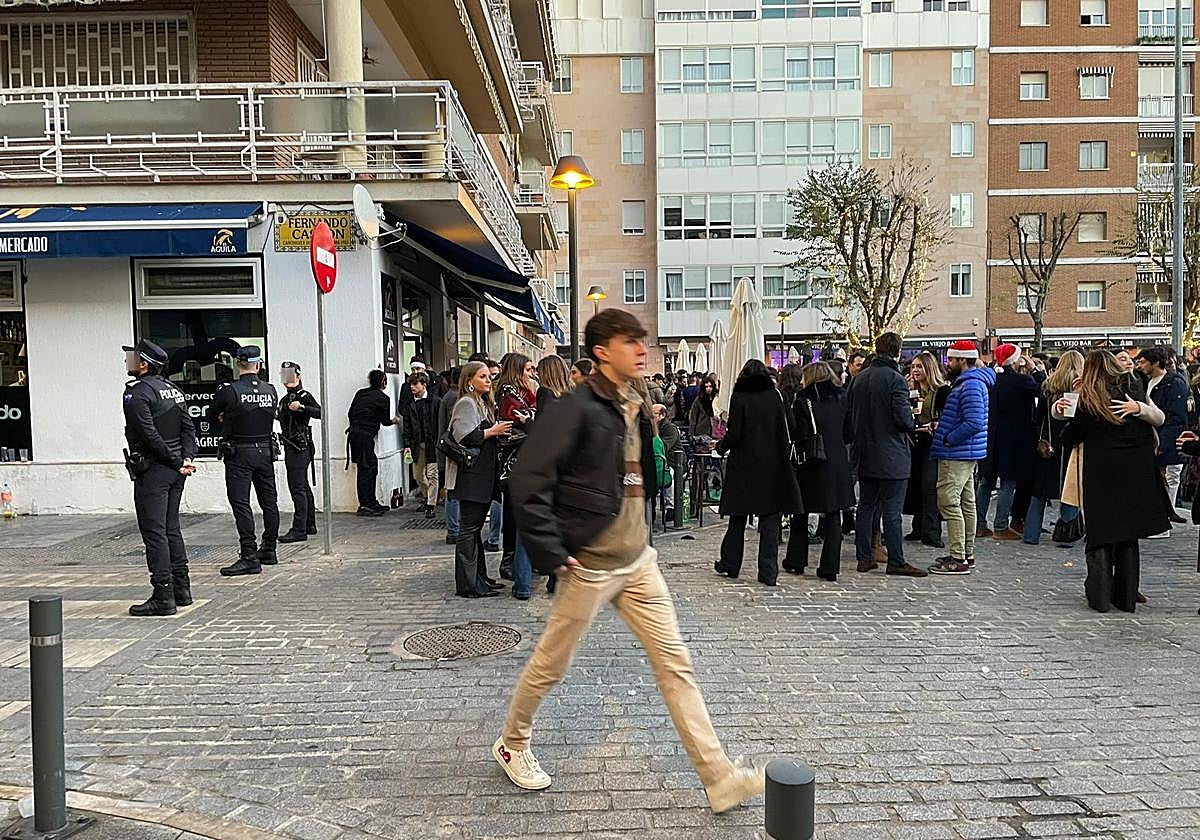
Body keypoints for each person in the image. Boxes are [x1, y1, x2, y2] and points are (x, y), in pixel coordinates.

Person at [500, 309, 763, 812]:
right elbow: (527, 482)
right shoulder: (573, 409)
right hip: (591, 564)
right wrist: (554, 553)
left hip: (639, 562)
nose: (642, 350)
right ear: (602, 351)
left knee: (676, 666)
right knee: (551, 665)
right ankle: (513, 741)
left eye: (642, 341)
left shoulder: (635, 402)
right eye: (630, 342)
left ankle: (719, 777)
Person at [1056, 351, 1170, 613]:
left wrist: (1072, 403)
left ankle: (1100, 594)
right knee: (1128, 535)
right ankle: (1126, 596)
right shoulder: (1133, 385)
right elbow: (1155, 417)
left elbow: (1072, 433)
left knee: (1101, 533)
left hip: (1102, 470)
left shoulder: (1092, 395)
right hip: (1136, 468)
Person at [122, 339, 197, 616]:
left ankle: (163, 595)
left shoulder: (138, 393)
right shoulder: (173, 390)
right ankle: (182, 589)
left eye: (132, 358)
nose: (127, 362)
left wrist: (177, 462)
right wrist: (186, 459)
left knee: (154, 533)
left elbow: (147, 434)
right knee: (171, 529)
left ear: (144, 364)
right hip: (176, 470)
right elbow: (188, 428)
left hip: (155, 470)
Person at [713, 359, 802, 586]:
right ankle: (768, 571)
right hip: (773, 464)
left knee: (738, 517)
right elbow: (790, 426)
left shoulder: (740, 397)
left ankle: (730, 563)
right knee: (770, 519)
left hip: (744, 464)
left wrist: (720, 447)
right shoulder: (775, 396)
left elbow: (735, 433)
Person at [847, 333, 925, 576]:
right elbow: (903, 420)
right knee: (892, 511)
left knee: (866, 507)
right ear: (897, 352)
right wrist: (913, 420)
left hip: (864, 453)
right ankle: (896, 560)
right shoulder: (895, 379)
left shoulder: (859, 379)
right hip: (892, 454)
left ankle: (864, 557)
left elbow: (850, 417)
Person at [213, 346, 281, 577]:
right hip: (264, 451)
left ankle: (249, 555)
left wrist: (227, 415)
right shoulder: (270, 390)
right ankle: (270, 549)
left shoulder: (229, 391)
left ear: (238, 364)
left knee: (241, 504)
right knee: (269, 502)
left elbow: (211, 413)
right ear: (258, 365)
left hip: (239, 453)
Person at [927, 340, 993, 575]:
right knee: (966, 503)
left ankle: (958, 557)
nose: (948, 363)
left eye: (951, 359)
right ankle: (966, 552)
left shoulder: (971, 385)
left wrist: (949, 438)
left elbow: (973, 422)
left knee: (949, 501)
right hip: (964, 451)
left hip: (957, 452)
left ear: (962, 360)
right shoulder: (970, 383)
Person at [446, 362, 512, 597]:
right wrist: (493, 431)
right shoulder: (466, 403)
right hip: (471, 477)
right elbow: (464, 436)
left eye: (488, 376)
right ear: (469, 380)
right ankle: (469, 584)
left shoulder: (482, 403)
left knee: (473, 530)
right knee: (469, 528)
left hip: (481, 475)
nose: (488, 380)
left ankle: (480, 578)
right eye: (482, 376)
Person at [783, 362, 853, 581]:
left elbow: (798, 433)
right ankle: (830, 567)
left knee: (801, 511)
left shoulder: (803, 400)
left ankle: (796, 560)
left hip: (811, 461)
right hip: (838, 461)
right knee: (833, 513)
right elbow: (849, 432)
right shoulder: (842, 398)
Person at [1024, 350, 1083, 546]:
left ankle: (1031, 534)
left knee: (1039, 491)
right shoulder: (1082, 387)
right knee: (1070, 489)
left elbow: (1038, 417)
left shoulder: (1049, 386)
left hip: (1049, 444)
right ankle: (1067, 532)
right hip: (1072, 444)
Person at [984, 344, 1042, 540]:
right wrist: (1035, 370)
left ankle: (978, 524)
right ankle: (1000, 525)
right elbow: (1044, 390)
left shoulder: (992, 380)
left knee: (987, 480)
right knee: (1008, 482)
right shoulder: (1021, 381)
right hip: (1016, 438)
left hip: (993, 436)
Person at [497, 354, 539, 599]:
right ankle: (510, 561)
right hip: (514, 463)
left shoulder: (523, 391)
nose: (530, 373)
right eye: (528, 369)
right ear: (517, 370)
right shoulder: (508, 392)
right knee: (514, 515)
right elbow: (516, 421)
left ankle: (519, 564)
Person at [1137, 346, 1189, 527]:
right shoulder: (1144, 380)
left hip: (1165, 437)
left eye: (1143, 362)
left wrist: (1163, 441)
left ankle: (1167, 516)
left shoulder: (1173, 383)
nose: (1140, 366)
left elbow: (1175, 416)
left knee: (1170, 476)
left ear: (1155, 363)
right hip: (1150, 436)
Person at [904, 352, 951, 548]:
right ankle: (918, 527)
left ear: (929, 369)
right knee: (914, 485)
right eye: (913, 366)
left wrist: (936, 424)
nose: (915, 370)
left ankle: (932, 531)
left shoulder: (941, 391)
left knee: (930, 486)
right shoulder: (910, 391)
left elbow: (946, 417)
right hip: (914, 441)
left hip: (932, 442)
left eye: (919, 367)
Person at [347, 370, 402, 517]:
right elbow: (384, 420)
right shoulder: (383, 398)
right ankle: (366, 504)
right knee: (367, 469)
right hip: (365, 437)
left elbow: (350, 413)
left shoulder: (360, 393)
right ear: (383, 381)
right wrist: (394, 421)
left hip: (355, 434)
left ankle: (371, 501)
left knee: (369, 467)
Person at [277, 361, 321, 543]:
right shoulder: (284, 399)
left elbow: (320, 412)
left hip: (299, 447)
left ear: (298, 376)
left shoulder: (303, 396)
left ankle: (299, 529)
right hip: (291, 445)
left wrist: (302, 408)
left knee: (297, 488)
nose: (286, 378)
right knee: (302, 486)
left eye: (290, 374)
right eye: (284, 374)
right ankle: (309, 524)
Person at [402, 371, 440, 518]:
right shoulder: (410, 404)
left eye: (415, 384)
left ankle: (431, 504)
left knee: (432, 475)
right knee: (418, 475)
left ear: (424, 385)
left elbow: (440, 422)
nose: (412, 387)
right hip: (417, 444)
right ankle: (426, 496)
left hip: (433, 443)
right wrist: (407, 444)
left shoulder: (436, 402)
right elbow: (407, 427)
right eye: (411, 384)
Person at [439, 367, 461, 545]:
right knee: (453, 491)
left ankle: (454, 529)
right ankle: (454, 530)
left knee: (452, 490)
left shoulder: (449, 395)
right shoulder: (455, 398)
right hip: (454, 450)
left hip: (449, 449)